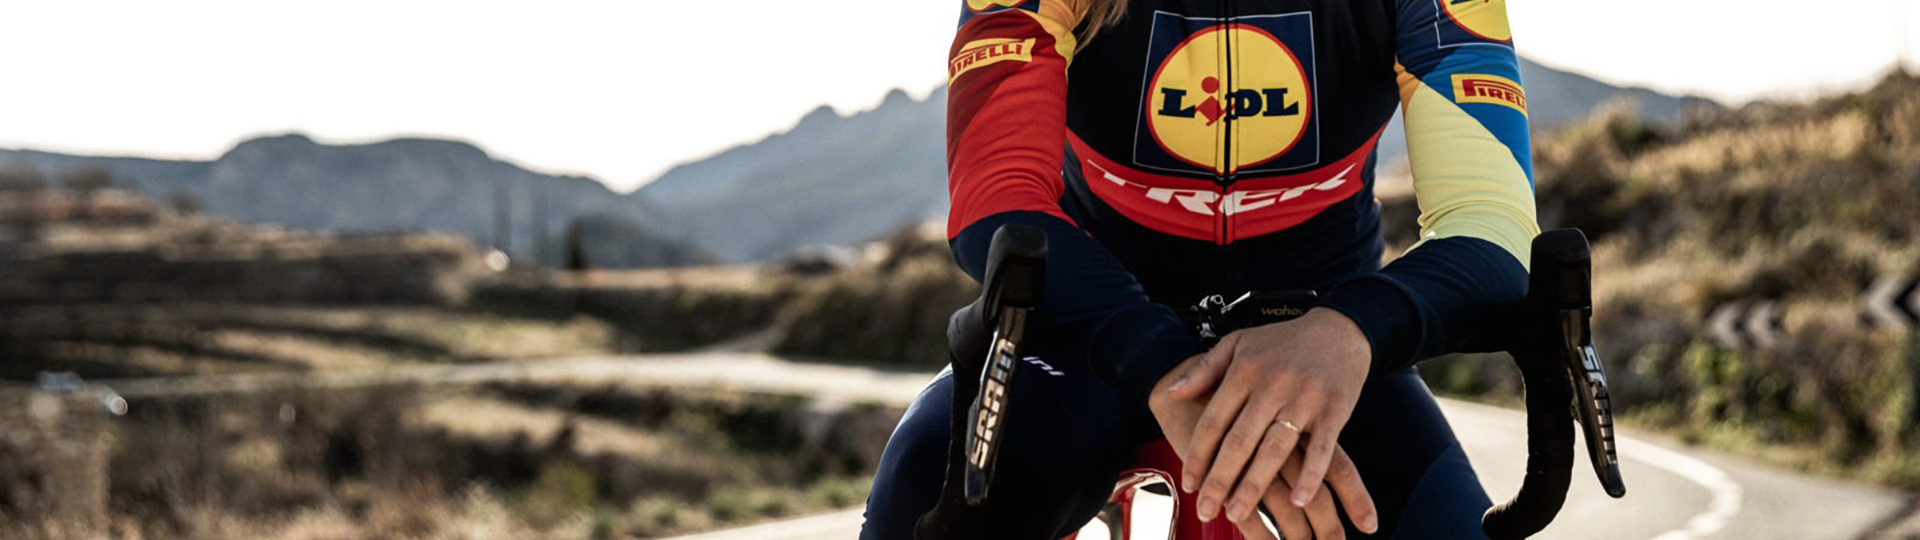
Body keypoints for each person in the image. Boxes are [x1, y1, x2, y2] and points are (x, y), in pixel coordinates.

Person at [864, 0, 1539, 537]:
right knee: (923, 488)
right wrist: (1161, 365)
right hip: (1094, 335)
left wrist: (1351, 329)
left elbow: (1493, 224)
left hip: (1319, 346)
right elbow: (997, 198)